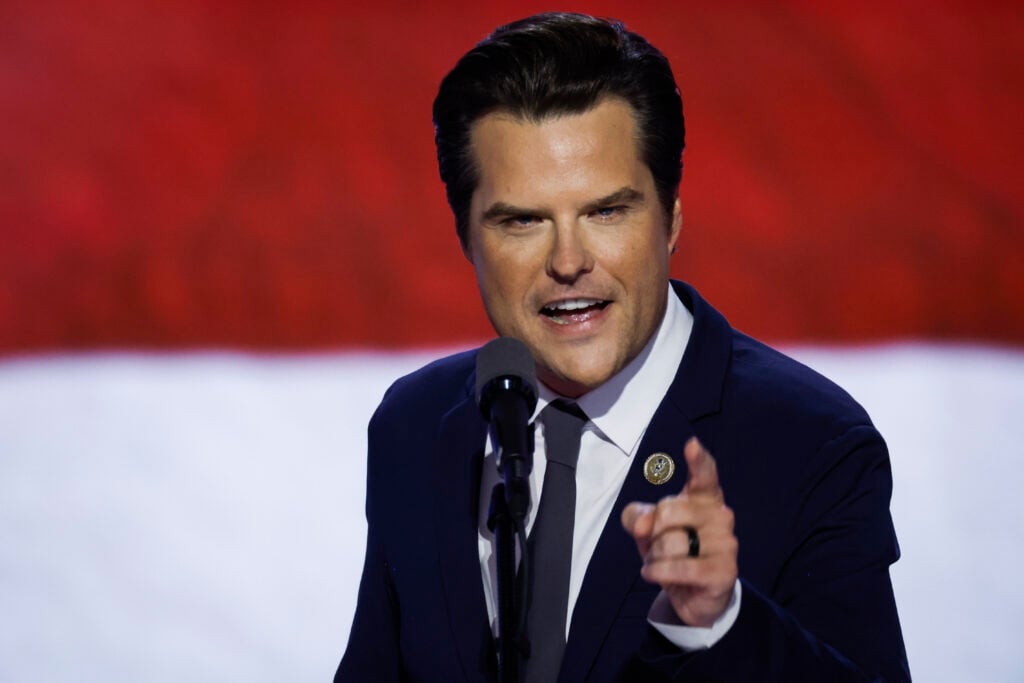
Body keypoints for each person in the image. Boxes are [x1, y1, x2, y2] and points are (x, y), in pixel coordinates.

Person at [335, 12, 909, 682]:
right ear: (467, 238)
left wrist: (719, 622)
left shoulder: (812, 446)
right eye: (523, 220)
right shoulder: (417, 425)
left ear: (671, 220)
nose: (569, 261)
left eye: (607, 211)